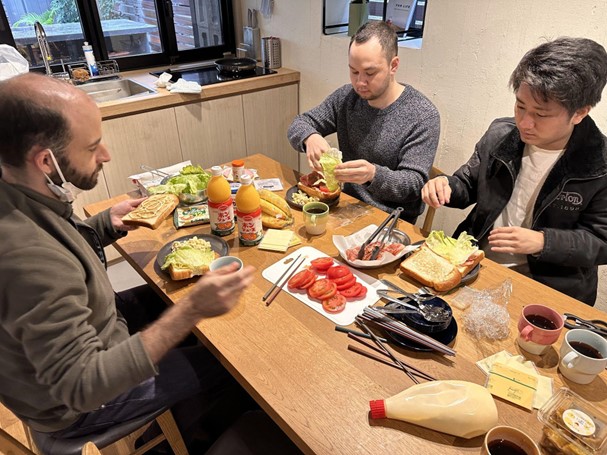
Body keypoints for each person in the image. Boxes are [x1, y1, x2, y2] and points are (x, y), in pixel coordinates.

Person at [0, 73, 259, 452]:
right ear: (45, 160)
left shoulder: (19, 189)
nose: (105, 155)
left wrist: (103, 225)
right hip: (76, 406)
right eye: (92, 147)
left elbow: (60, 254)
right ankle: (195, 438)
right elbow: (83, 387)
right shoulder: (25, 255)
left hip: (98, 329)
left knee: (170, 303)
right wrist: (191, 310)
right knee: (235, 362)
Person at [421, 37, 607, 306]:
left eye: (541, 115)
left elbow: (601, 241)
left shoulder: (598, 164)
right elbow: (467, 184)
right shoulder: (502, 135)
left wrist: (543, 242)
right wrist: (445, 185)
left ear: (579, 113)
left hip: (546, 290)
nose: (525, 122)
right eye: (520, 106)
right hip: (476, 267)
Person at [288, 20, 440, 223]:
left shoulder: (422, 115)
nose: (360, 82)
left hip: (392, 221)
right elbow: (299, 123)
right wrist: (310, 137)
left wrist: (373, 174)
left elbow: (413, 184)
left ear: (393, 65)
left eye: (370, 73)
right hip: (346, 207)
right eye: (353, 71)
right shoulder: (346, 98)